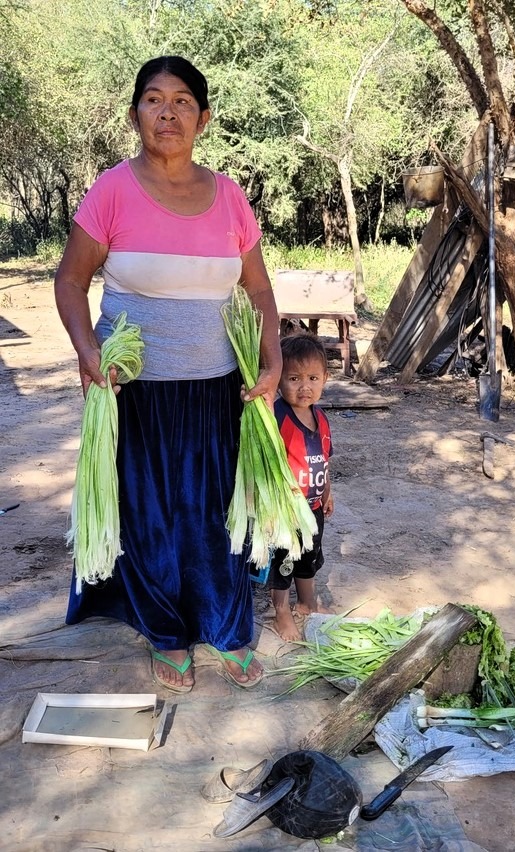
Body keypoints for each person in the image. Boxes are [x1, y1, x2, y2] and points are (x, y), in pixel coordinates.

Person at [54, 56, 282, 693]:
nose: (168, 113)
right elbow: (71, 280)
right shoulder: (111, 191)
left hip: (217, 387)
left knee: (217, 514)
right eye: (153, 100)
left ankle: (230, 628)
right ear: (135, 116)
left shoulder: (229, 196)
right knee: (150, 518)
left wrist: (272, 360)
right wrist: (85, 350)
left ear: (203, 118)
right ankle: (167, 633)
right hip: (135, 392)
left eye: (183, 101)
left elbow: (259, 292)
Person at [267, 333, 334, 642]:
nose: (304, 386)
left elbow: (324, 459)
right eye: (293, 378)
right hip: (286, 510)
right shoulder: (278, 416)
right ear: (278, 380)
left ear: (325, 379)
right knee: (283, 562)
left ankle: (307, 602)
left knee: (309, 558)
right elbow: (265, 463)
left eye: (312, 378)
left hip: (314, 507)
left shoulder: (321, 417)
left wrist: (328, 492)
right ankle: (281, 611)